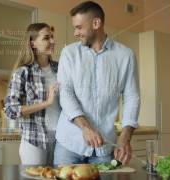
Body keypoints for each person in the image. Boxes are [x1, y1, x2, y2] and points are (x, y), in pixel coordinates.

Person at [54, 1, 140, 165]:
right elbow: (66, 94)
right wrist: (86, 128)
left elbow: (132, 97)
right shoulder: (69, 53)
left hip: (104, 148)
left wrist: (125, 136)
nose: (75, 33)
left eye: (79, 27)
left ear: (96, 23)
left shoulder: (125, 56)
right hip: (69, 145)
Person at [5, 23, 60, 165]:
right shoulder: (23, 72)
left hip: (61, 138)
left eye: (52, 37)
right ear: (33, 43)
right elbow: (11, 110)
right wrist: (46, 103)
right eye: (46, 38)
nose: (52, 41)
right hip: (34, 140)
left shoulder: (60, 68)